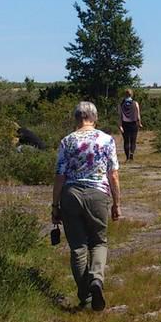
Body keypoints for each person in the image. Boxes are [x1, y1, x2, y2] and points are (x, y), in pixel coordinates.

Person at [52, 101, 121, 311]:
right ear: (95, 117)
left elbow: (60, 175)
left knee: (78, 247)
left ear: (76, 118)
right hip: (98, 193)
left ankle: (86, 295)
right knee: (99, 241)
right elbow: (113, 174)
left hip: (71, 194)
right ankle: (96, 279)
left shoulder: (67, 141)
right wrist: (116, 203)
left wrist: (55, 205)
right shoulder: (106, 139)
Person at [117, 89, 141, 162]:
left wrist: (120, 125)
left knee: (126, 141)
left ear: (125, 95)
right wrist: (140, 123)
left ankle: (127, 157)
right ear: (132, 95)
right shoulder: (135, 103)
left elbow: (120, 116)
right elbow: (138, 115)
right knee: (133, 140)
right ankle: (131, 155)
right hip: (134, 123)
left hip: (125, 124)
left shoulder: (120, 104)